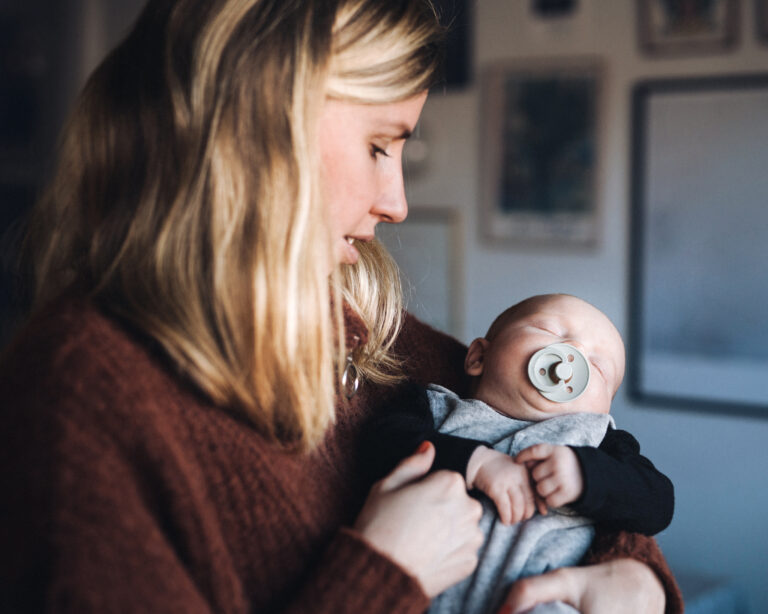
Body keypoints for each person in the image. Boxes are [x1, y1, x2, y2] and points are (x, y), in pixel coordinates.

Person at [0, 1, 682, 613]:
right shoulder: (77, 395)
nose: (397, 203)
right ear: (254, 127)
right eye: (379, 145)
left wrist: (638, 578)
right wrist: (381, 574)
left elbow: (561, 438)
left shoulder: (353, 320)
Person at [362, 293, 674, 614]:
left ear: (604, 408)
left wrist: (585, 475)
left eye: (597, 365)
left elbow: (658, 502)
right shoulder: (435, 408)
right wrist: (475, 462)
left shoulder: (599, 442)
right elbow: (380, 444)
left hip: (538, 601)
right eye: (549, 331)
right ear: (478, 358)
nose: (573, 354)